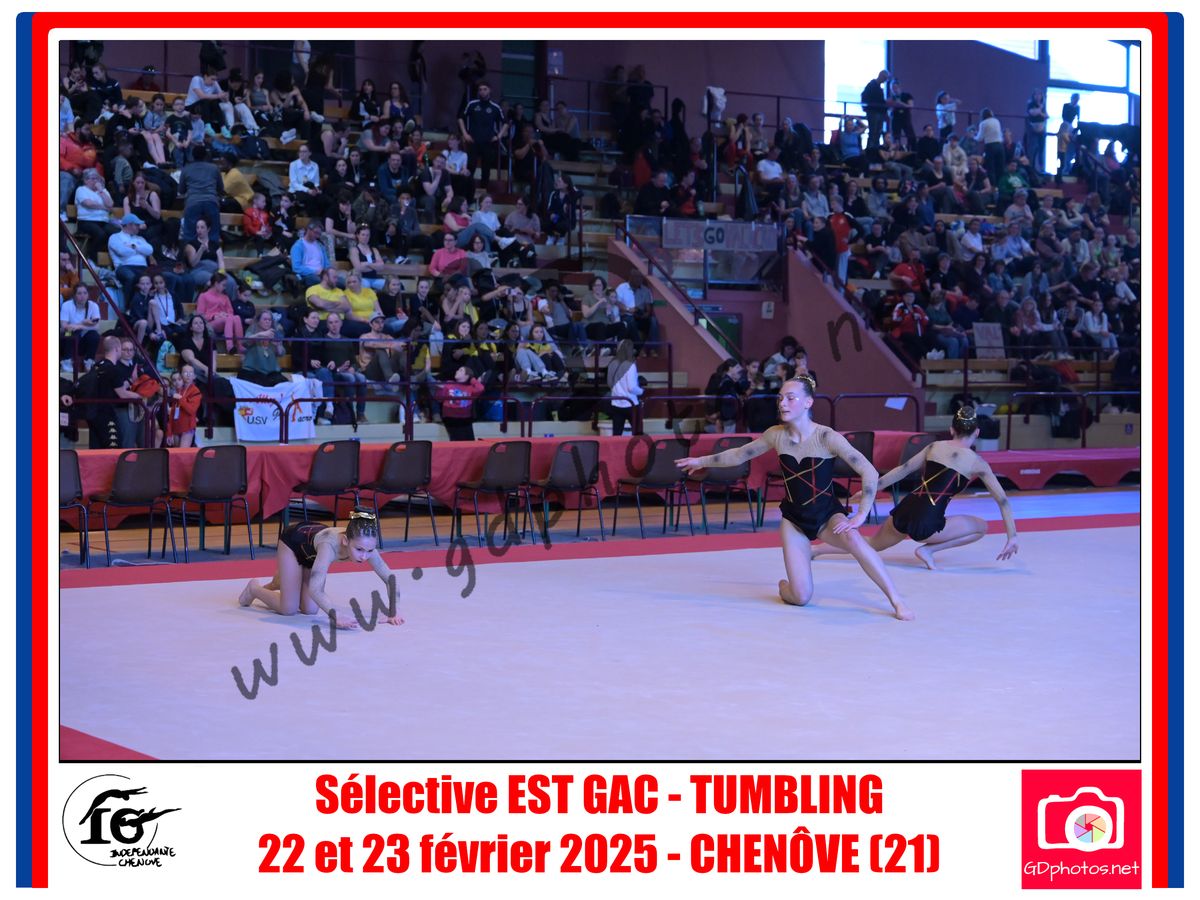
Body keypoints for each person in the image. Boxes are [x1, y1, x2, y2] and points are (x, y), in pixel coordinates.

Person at [677, 376, 914, 620]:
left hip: (827, 515)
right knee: (801, 597)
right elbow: (739, 455)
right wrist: (701, 461)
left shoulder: (826, 437)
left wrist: (862, 514)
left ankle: (896, 600)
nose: (782, 403)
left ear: (808, 402)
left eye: (790, 398)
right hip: (794, 520)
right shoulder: (776, 435)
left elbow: (869, 471)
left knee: (854, 539)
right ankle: (785, 586)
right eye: (780, 398)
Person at [813, 406, 1019, 570]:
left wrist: (869, 491)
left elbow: (901, 471)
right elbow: (1002, 501)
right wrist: (1012, 536)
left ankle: (816, 550)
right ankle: (928, 551)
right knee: (981, 527)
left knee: (872, 543)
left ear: (951, 430)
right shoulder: (977, 463)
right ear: (977, 432)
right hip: (927, 524)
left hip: (904, 510)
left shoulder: (934, 447)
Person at [239, 508, 404, 630]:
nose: (364, 556)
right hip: (294, 542)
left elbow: (390, 578)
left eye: (369, 551)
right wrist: (336, 615)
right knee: (288, 609)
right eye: (359, 550)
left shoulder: (365, 546)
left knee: (310, 610)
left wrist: (393, 611)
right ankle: (254, 588)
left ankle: (283, 579)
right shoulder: (328, 547)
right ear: (345, 541)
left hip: (312, 552)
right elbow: (315, 589)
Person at [606, 338, 643, 437]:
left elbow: (609, 383)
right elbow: (632, 387)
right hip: (630, 404)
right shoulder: (630, 365)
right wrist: (641, 391)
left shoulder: (612, 364)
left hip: (616, 403)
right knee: (638, 434)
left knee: (617, 435)